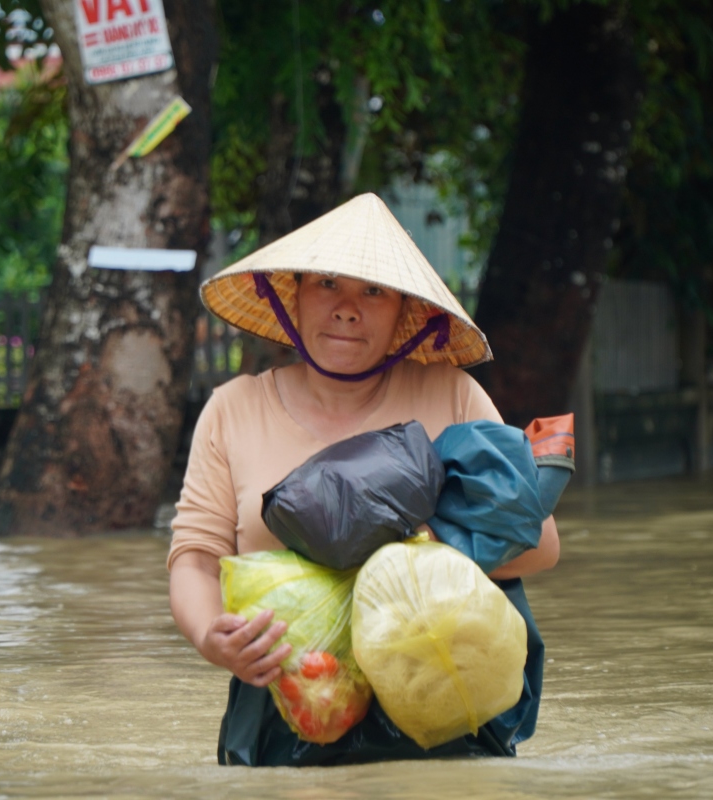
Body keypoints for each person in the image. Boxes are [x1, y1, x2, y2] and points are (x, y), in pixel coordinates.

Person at [166, 193, 560, 765]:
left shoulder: (450, 394)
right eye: (327, 283)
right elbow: (196, 558)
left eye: (372, 291)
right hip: (292, 712)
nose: (347, 308)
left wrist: (405, 552)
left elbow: (541, 545)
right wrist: (211, 639)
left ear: (403, 310)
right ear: (292, 297)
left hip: (439, 716)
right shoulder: (233, 410)